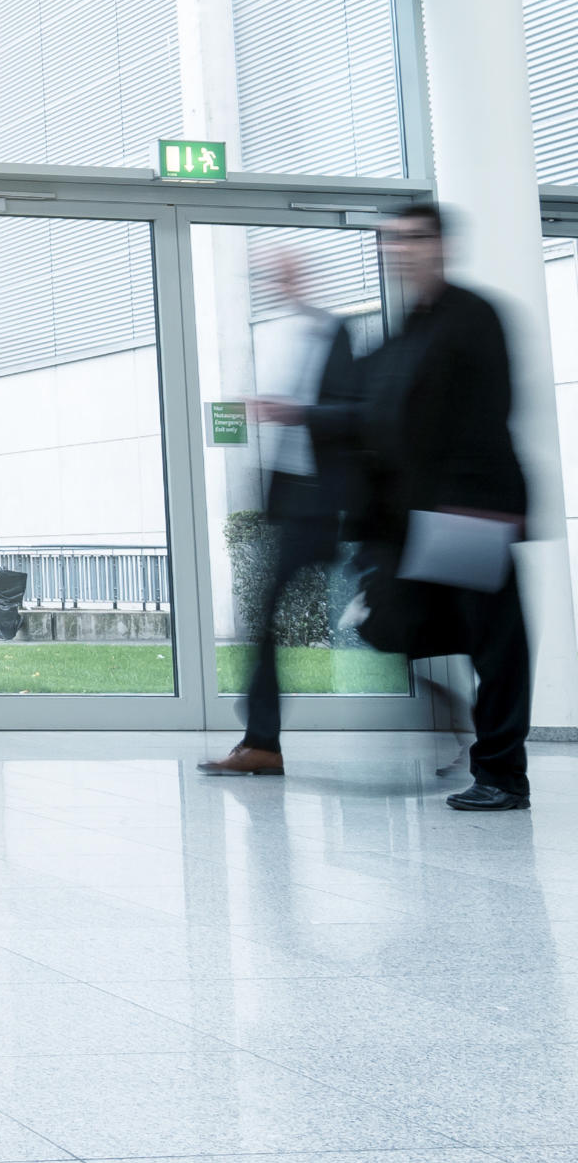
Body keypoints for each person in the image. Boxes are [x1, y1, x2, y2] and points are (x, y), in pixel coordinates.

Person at [254, 203, 531, 810]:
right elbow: (376, 412)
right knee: (391, 624)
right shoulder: (410, 327)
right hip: (418, 517)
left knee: (495, 641)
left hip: (469, 512)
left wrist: (484, 511)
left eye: (411, 239)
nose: (398, 250)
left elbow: (491, 415)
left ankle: (503, 775)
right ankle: (472, 738)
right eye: (390, 241)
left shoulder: (472, 317)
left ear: (440, 245)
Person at [202, 250, 367, 777]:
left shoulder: (333, 333)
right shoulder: (281, 334)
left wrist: (295, 412)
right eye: (269, 275)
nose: (275, 281)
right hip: (297, 503)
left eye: (283, 273)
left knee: (388, 615)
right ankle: (262, 742)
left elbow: (358, 414)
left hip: (331, 502)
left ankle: (458, 717)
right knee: (268, 620)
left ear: (303, 276)